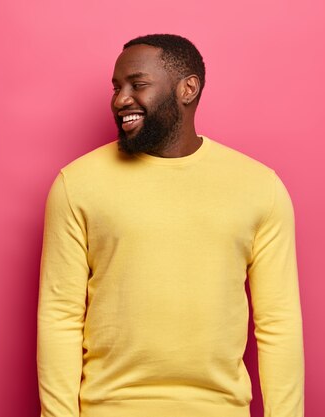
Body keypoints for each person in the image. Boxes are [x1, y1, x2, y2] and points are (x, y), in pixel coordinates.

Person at [37, 34, 304, 417]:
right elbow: (59, 315)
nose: (120, 99)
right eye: (116, 87)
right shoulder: (76, 184)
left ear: (187, 88)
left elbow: (278, 323)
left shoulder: (260, 187)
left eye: (137, 85)